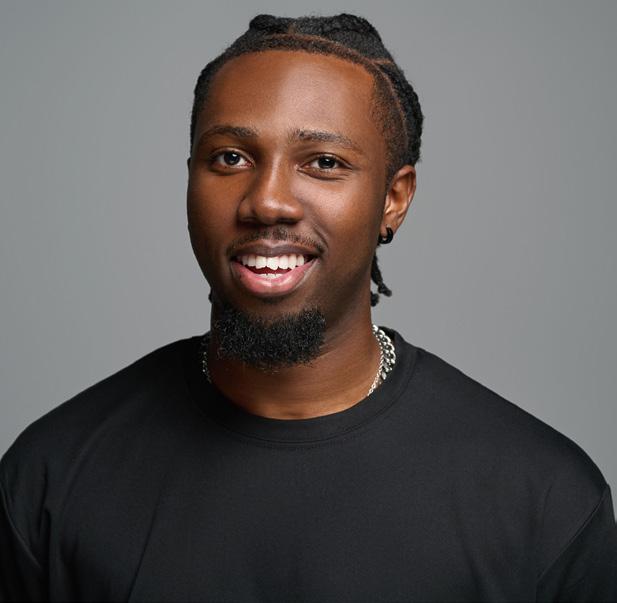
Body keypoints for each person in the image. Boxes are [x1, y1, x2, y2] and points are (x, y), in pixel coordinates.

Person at [1, 12, 616, 602]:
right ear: (189, 180)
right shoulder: (50, 477)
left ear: (394, 199)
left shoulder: (544, 500)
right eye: (230, 158)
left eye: (324, 163)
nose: (267, 202)